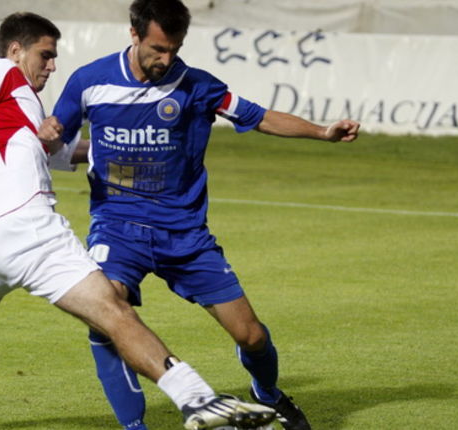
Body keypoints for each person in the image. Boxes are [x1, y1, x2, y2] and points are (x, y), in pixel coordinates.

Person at [0, 11, 279, 430]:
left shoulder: (18, 112)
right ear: (16, 50)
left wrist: (121, 139)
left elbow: (67, 152)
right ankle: (197, 398)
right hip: (26, 228)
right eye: (46, 55)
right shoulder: (2, 71)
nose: (52, 66)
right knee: (114, 312)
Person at [48, 1, 361, 430]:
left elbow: (260, 117)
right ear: (134, 34)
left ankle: (266, 394)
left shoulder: (197, 86)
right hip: (117, 228)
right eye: (158, 48)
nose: (167, 59)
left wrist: (322, 132)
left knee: (251, 335)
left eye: (175, 49)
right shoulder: (89, 81)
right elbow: (52, 141)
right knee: (106, 314)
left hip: (185, 233)